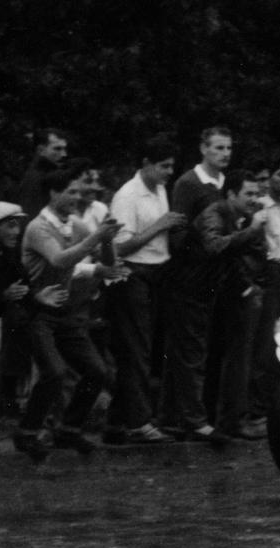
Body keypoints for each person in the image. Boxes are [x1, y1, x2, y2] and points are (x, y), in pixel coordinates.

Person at [15, 166, 127, 461]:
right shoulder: (39, 228)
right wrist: (96, 238)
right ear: (53, 193)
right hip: (38, 312)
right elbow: (61, 259)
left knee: (97, 371)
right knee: (53, 371)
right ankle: (27, 432)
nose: (78, 198)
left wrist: (106, 240)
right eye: (71, 192)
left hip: (66, 314)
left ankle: (70, 429)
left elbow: (108, 260)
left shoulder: (74, 225)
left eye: (80, 192)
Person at [104, 136, 185, 444]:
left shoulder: (161, 189)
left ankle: (116, 422)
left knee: (146, 348)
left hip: (157, 273)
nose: (168, 172)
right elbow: (120, 246)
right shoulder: (127, 195)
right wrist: (160, 225)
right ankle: (138, 422)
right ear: (146, 164)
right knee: (136, 349)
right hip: (134, 275)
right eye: (163, 166)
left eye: (171, 166)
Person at [161, 126, 236, 446]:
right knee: (189, 348)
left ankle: (180, 416)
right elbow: (177, 234)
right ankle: (192, 419)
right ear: (203, 149)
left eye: (228, 148)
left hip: (217, 277)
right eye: (218, 148)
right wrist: (199, 252)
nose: (225, 153)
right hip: (191, 276)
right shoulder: (189, 184)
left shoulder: (226, 185)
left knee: (206, 348)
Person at [199, 170, 271, 439]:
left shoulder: (242, 217)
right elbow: (215, 247)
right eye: (248, 194)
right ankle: (229, 421)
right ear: (231, 194)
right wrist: (252, 232)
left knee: (235, 358)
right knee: (232, 359)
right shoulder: (215, 214)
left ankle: (226, 419)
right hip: (211, 294)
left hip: (233, 291)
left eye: (256, 193)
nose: (254, 199)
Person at [247, 154, 280, 440]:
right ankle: (256, 410)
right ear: (269, 179)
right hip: (269, 274)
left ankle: (274, 405)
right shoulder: (261, 207)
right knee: (265, 343)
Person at [0, 203, 32, 419]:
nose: (16, 232)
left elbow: (24, 286)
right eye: (10, 226)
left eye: (17, 226)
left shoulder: (9, 255)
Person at [16, 128, 69, 216]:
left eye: (64, 149)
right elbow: (30, 214)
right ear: (40, 150)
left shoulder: (51, 174)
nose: (64, 154)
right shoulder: (35, 177)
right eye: (57, 149)